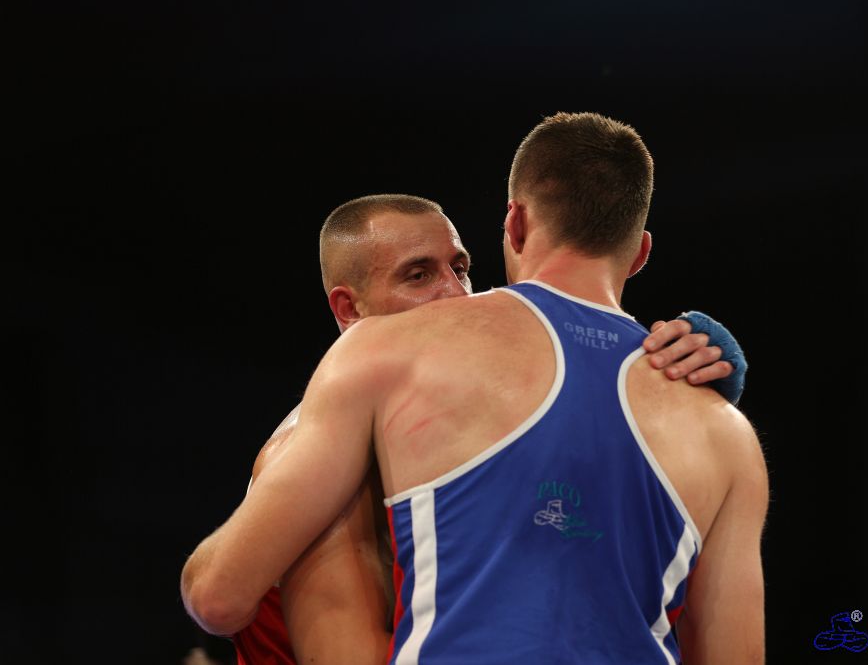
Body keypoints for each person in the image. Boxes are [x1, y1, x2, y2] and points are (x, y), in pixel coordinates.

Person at [184, 114, 766, 664]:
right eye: (418, 275)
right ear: (349, 310)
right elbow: (230, 601)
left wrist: (687, 369)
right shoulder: (312, 456)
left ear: (514, 226)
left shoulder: (466, 398)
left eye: (460, 268)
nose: (455, 294)